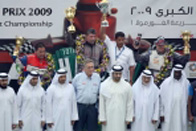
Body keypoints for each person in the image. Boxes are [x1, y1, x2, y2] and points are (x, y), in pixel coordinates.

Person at [99, 65, 133, 131]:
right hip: (108, 117)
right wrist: (102, 118)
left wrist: (128, 117)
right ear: (112, 73)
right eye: (116, 74)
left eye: (120, 74)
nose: (118, 76)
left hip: (121, 116)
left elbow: (129, 103)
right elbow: (102, 103)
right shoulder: (104, 85)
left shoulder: (127, 86)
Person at [73, 59, 101, 131]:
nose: (91, 69)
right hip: (80, 107)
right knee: (78, 128)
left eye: (92, 67)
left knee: (92, 129)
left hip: (92, 107)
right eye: (89, 67)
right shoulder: (78, 78)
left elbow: (99, 93)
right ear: (84, 68)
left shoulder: (97, 77)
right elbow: (73, 93)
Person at [160, 64, 190, 131]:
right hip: (168, 111)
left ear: (181, 73)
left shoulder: (186, 83)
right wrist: (161, 113)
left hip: (181, 112)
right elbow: (161, 99)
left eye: (178, 72)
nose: (177, 74)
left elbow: (189, 99)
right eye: (175, 72)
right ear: (173, 72)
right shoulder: (166, 83)